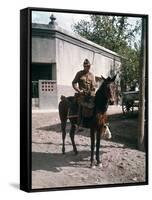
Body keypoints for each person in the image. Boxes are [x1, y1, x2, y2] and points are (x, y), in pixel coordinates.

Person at [72, 58, 96, 126]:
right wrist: (79, 91)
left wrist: (93, 89)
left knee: (97, 104)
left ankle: (96, 121)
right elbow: (74, 83)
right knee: (81, 105)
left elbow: (94, 86)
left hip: (90, 95)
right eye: (86, 66)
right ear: (84, 66)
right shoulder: (79, 74)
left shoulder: (92, 75)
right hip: (81, 94)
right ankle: (79, 124)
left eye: (89, 66)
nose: (88, 67)